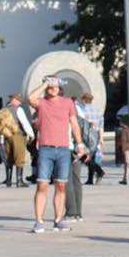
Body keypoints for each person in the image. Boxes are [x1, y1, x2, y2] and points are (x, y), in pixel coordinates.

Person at [26, 77, 80, 233]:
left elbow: (74, 124)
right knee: (42, 185)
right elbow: (30, 98)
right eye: (50, 86)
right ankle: (39, 221)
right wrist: (44, 83)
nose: (53, 88)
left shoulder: (68, 102)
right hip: (45, 149)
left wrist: (80, 143)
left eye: (56, 86)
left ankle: (58, 220)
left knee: (61, 186)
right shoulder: (41, 103)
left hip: (63, 149)